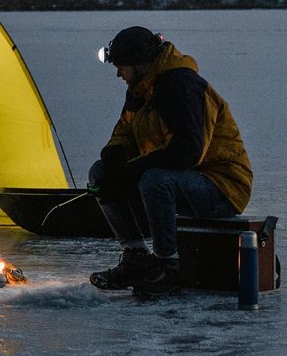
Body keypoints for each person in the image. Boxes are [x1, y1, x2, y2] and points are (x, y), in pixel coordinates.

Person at [87, 26, 252, 298]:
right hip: (181, 181)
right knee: (100, 171)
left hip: (222, 187)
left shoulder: (180, 86)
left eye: (122, 67)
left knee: (155, 179)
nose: (119, 74)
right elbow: (124, 132)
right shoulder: (140, 88)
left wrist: (131, 170)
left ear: (141, 63)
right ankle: (137, 257)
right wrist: (115, 160)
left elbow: (187, 153)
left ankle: (169, 266)